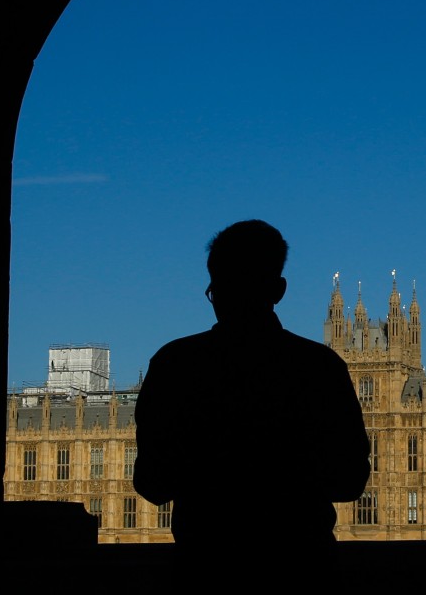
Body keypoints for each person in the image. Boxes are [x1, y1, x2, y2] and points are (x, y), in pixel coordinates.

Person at [133, 219, 370, 571]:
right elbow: (350, 480)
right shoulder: (319, 367)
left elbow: (152, 483)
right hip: (302, 567)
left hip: (206, 568)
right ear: (278, 290)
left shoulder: (175, 364)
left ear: (215, 287)